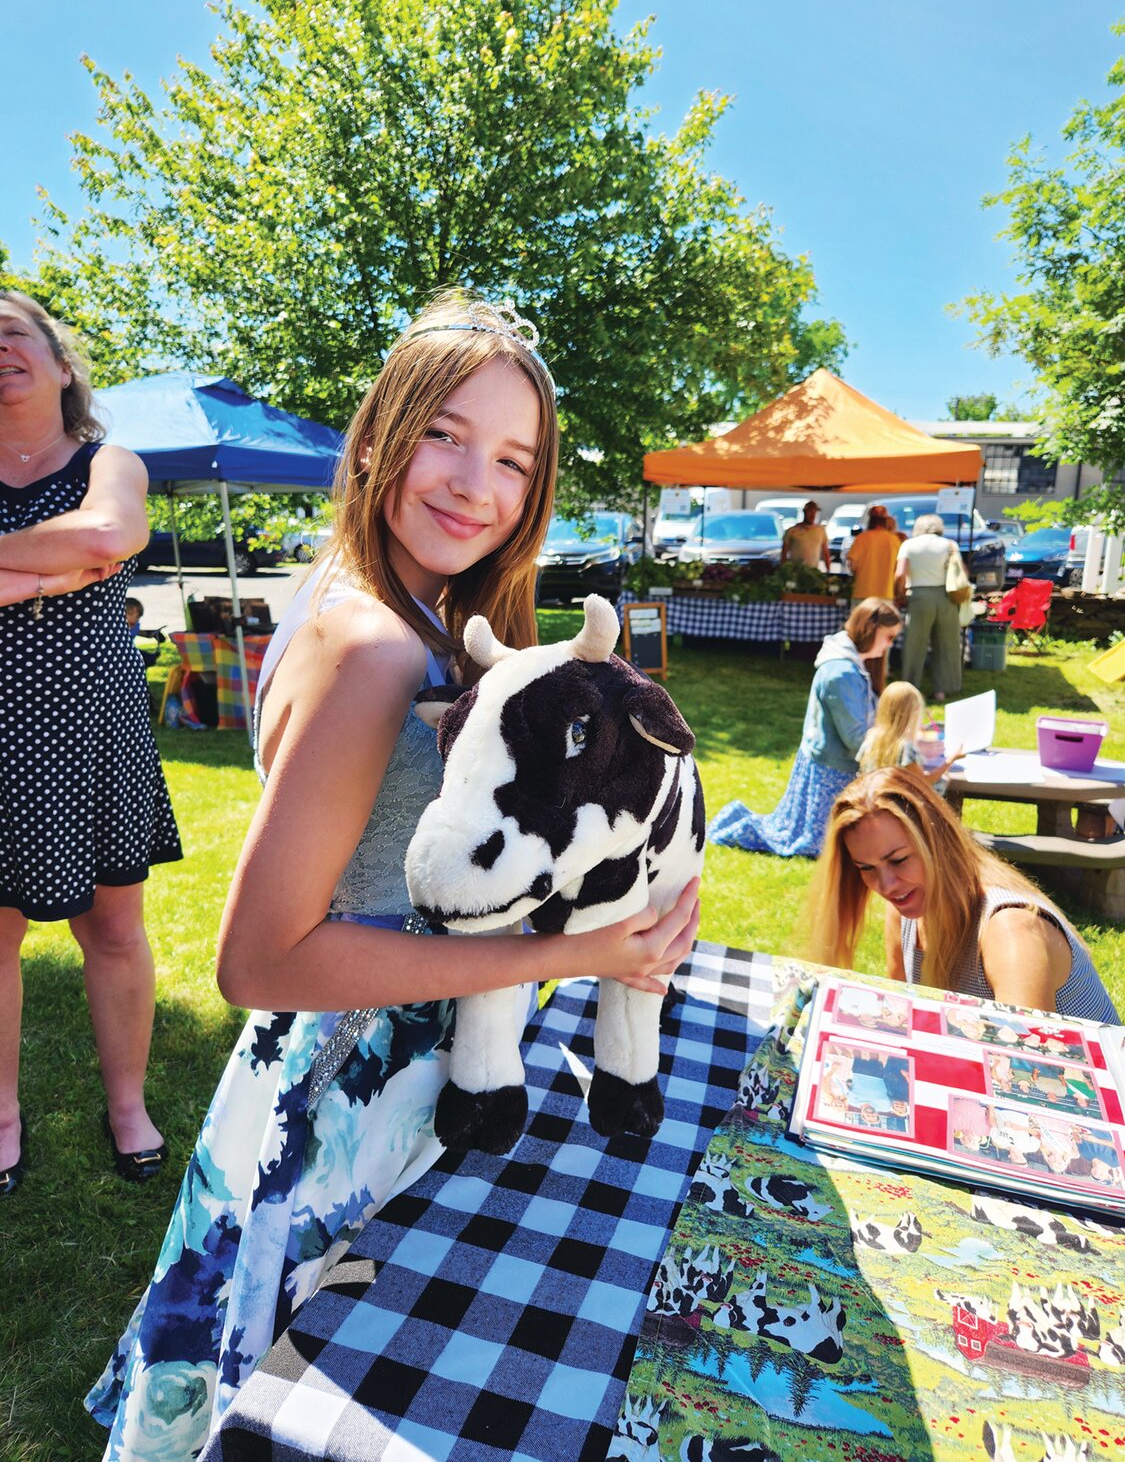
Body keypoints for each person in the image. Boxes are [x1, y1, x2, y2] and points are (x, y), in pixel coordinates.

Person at [86, 291, 701, 1459]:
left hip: (379, 1073)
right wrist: (575, 955)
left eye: (515, 459)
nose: (479, 482)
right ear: (379, 433)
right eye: (446, 435)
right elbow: (259, 959)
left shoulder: (400, 605)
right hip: (348, 1093)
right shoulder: (377, 644)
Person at [0, 292, 182, 1198]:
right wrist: (50, 575)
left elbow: (112, 532)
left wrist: (8, 565)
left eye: (13, 333)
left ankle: (127, 1107)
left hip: (88, 732)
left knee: (112, 927)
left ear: (61, 363)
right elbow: (85, 551)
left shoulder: (112, 459)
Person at [810, 765, 1119, 1021]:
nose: (887, 885)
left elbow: (1027, 1071)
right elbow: (906, 1018)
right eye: (867, 868)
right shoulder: (905, 906)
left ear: (938, 839)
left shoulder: (1011, 931)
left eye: (899, 859)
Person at [708, 598, 901, 858]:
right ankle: (737, 825)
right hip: (831, 771)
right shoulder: (840, 673)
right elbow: (855, 738)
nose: (890, 644)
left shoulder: (851, 665)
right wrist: (897, 745)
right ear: (870, 629)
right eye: (889, 637)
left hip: (833, 765)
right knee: (817, 845)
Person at [894, 513, 965, 704]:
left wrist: (899, 594)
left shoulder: (908, 545)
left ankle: (911, 688)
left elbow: (900, 574)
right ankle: (943, 689)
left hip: (919, 597)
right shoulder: (950, 544)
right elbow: (962, 572)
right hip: (946, 598)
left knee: (914, 645)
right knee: (946, 645)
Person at [856, 681, 962, 792]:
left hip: (874, 799)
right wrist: (950, 761)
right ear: (912, 712)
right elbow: (923, 781)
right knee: (944, 782)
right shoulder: (905, 746)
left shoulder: (871, 738)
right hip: (901, 804)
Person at [847, 506, 901, 692]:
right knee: (885, 640)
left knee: (859, 635)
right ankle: (881, 674)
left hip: (862, 592)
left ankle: (856, 669)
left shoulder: (862, 538)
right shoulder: (894, 540)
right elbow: (898, 569)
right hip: (885, 594)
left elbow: (852, 565)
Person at [781, 499, 830, 572]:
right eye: (810, 512)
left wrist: (828, 570)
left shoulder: (821, 531)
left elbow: (825, 552)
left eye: (815, 512)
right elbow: (784, 553)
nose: (813, 515)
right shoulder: (792, 531)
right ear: (804, 512)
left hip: (813, 572)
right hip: (795, 572)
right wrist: (784, 570)